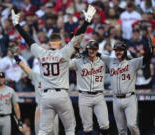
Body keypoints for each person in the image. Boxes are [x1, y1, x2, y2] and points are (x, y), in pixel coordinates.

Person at [11, 4, 96, 135]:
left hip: (45, 96)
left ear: (50, 43)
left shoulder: (41, 53)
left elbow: (28, 39)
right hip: (61, 94)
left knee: (44, 129)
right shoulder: (63, 52)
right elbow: (77, 38)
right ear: (59, 42)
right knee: (69, 128)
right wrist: (86, 22)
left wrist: (17, 25)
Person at [98, 40, 153, 134]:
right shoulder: (111, 60)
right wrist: (86, 49)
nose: (118, 52)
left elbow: (146, 58)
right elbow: (98, 54)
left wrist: (151, 50)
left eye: (120, 50)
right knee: (121, 130)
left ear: (125, 51)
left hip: (129, 98)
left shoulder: (133, 62)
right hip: (116, 99)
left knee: (132, 125)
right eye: (116, 50)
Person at [11, 49, 59, 135]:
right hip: (40, 107)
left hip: (53, 107)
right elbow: (25, 68)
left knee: (54, 133)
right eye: (44, 65)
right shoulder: (37, 76)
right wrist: (17, 58)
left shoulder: (55, 76)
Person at [69, 40, 110, 135]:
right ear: (86, 50)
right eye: (89, 49)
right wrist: (74, 53)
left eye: (94, 49)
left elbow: (117, 64)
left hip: (99, 96)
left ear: (97, 50)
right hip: (84, 96)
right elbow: (64, 64)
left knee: (104, 125)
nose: (91, 51)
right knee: (87, 128)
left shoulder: (103, 62)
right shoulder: (78, 61)